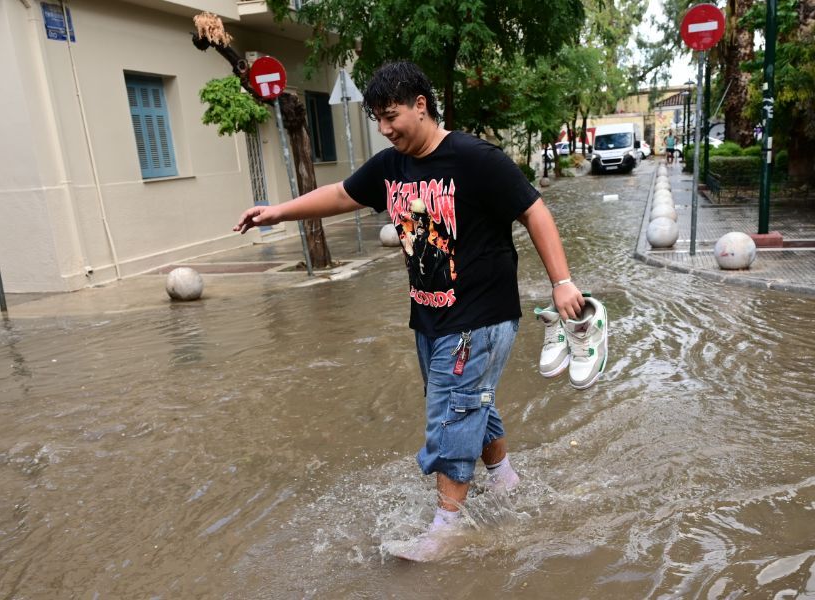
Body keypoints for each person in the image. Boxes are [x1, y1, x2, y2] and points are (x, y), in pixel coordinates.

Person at [233, 61, 584, 561]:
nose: (384, 128)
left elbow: (534, 209)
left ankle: (447, 527)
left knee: (453, 411)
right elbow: (339, 194)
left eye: (391, 115)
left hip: (480, 317)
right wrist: (277, 211)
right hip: (430, 317)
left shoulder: (474, 157)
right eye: (376, 118)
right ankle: (505, 481)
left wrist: (562, 282)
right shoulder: (392, 166)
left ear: (422, 105)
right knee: (468, 400)